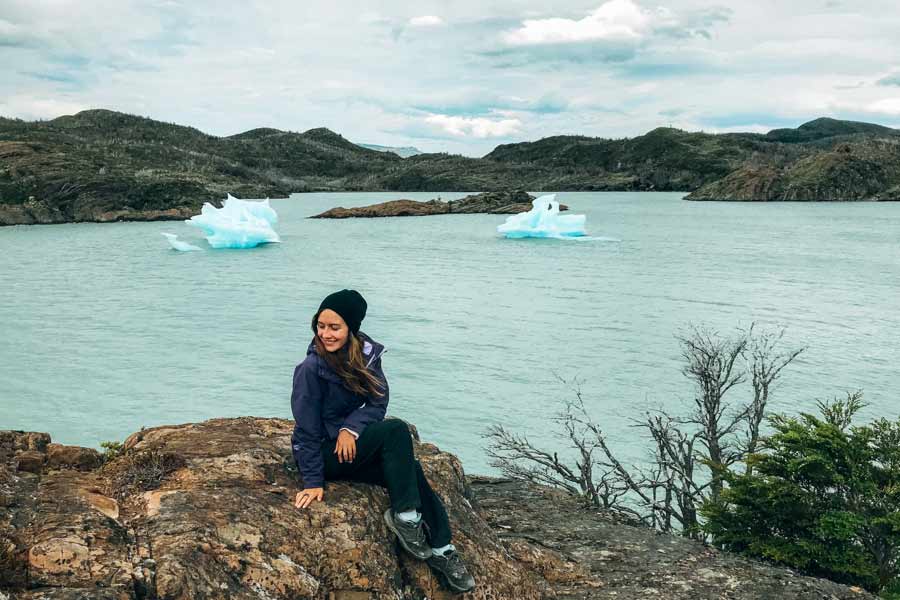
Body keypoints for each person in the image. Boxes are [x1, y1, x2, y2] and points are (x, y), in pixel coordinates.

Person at [290, 289, 475, 593]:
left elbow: (377, 402)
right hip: (324, 454)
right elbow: (307, 429)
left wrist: (351, 428)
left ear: (351, 327)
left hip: (350, 447)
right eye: (320, 326)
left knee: (410, 470)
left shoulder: (365, 356)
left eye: (334, 327)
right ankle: (405, 518)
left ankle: (443, 549)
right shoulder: (310, 370)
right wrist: (312, 480)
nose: (325, 334)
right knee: (396, 430)